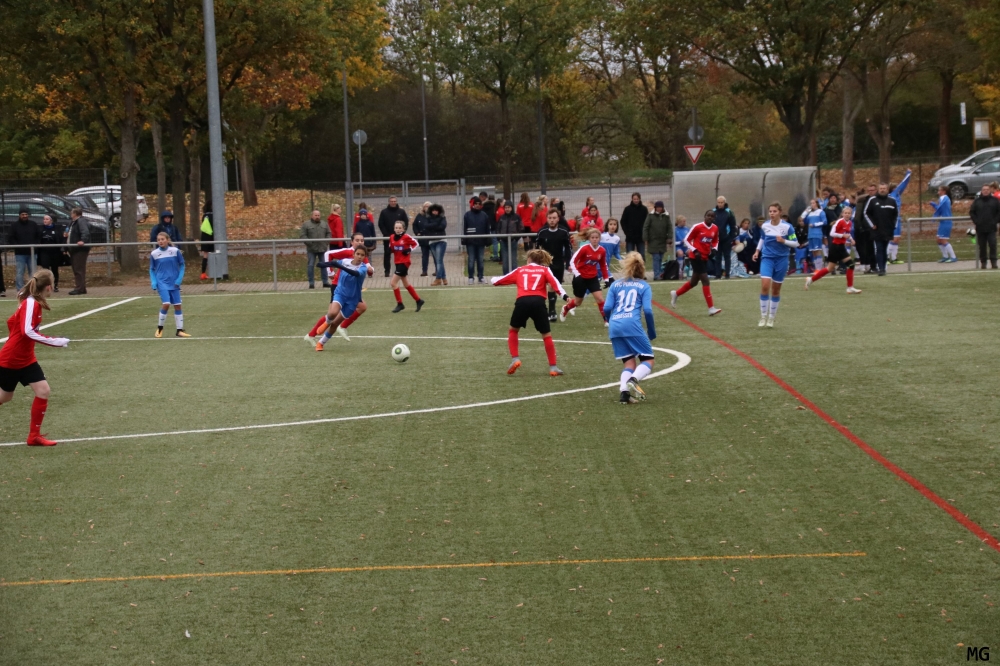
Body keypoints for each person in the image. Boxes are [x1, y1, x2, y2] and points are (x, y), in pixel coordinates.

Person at [0, 269, 69, 446]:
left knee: (43, 391)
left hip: (26, 358)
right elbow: (27, 331)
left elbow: (12, 323)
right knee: (5, 397)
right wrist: (55, 341)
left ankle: (34, 436)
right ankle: (34, 436)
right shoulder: (31, 303)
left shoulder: (32, 302)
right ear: (49, 287)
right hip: (12, 359)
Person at [492, 248, 567, 376]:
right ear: (541, 260)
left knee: (513, 330)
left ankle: (515, 358)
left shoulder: (520, 270)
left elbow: (498, 281)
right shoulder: (544, 270)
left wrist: (493, 280)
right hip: (539, 302)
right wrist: (565, 297)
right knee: (546, 335)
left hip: (522, 302)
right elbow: (555, 284)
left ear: (528, 259)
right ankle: (553, 367)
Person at [603, 252, 656, 404]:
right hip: (632, 324)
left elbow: (606, 308)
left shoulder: (615, 284)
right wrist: (651, 330)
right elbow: (648, 311)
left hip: (615, 325)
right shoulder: (644, 286)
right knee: (648, 359)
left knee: (629, 363)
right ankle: (633, 380)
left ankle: (624, 394)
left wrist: (611, 320)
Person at [305, 232, 374, 343]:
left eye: (362, 240)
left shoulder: (362, 254)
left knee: (361, 307)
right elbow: (328, 254)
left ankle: (341, 327)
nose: (360, 242)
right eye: (357, 240)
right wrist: (330, 272)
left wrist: (370, 271)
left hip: (351, 290)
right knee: (332, 314)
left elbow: (368, 269)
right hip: (338, 286)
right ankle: (312, 335)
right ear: (352, 242)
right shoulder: (347, 252)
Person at [752, 202, 799, 327]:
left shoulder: (787, 227)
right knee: (765, 286)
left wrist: (783, 241)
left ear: (780, 212)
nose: (772, 214)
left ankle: (771, 318)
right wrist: (757, 251)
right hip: (767, 258)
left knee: (776, 289)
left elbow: (796, 243)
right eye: (770, 211)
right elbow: (762, 238)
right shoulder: (765, 225)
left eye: (774, 211)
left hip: (782, 260)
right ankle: (763, 316)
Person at [314, 247, 369, 351]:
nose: (359, 257)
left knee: (335, 323)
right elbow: (334, 263)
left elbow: (355, 274)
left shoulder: (363, 268)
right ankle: (326, 322)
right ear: (353, 254)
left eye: (362, 255)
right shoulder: (345, 261)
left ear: (365, 257)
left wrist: (340, 266)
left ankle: (321, 343)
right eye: (358, 254)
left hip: (353, 300)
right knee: (332, 313)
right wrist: (323, 264)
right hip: (340, 293)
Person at [670, 210, 722, 316]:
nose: (710, 217)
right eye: (708, 215)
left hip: (705, 257)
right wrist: (694, 250)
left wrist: (714, 248)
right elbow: (687, 240)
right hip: (695, 257)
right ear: (704, 216)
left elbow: (715, 240)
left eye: (712, 216)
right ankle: (711, 308)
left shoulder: (715, 228)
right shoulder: (697, 227)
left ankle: (676, 293)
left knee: (694, 282)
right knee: (705, 280)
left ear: (714, 218)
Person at [805, 206, 862, 294]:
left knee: (850, 265)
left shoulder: (850, 222)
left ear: (851, 214)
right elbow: (832, 233)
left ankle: (850, 287)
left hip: (841, 247)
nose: (847, 214)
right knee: (830, 268)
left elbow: (847, 233)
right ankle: (811, 279)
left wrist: (851, 239)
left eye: (849, 213)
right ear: (842, 214)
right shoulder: (840, 221)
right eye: (845, 213)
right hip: (835, 247)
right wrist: (842, 236)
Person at [560, 228, 611, 323]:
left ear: (599, 238)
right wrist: (578, 274)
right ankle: (566, 308)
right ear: (589, 238)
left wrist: (607, 279)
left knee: (600, 299)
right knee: (578, 302)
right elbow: (572, 261)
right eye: (592, 237)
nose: (595, 239)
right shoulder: (584, 248)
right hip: (580, 278)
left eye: (596, 237)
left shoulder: (602, 250)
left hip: (593, 278)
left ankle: (606, 321)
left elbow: (603, 265)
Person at [149, 232, 191, 338]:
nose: (160, 241)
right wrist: (154, 281)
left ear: (167, 240)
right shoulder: (154, 253)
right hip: (162, 282)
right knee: (166, 303)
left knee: (177, 305)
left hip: (174, 283)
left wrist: (179, 279)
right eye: (158, 240)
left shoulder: (175, 251)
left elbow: (182, 265)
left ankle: (179, 330)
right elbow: (151, 269)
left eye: (162, 239)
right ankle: (160, 328)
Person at [535, 208, 573, 321]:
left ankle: (551, 310)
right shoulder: (542, 232)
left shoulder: (563, 231)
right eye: (550, 218)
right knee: (548, 285)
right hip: (545, 262)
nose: (552, 220)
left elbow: (568, 248)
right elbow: (536, 248)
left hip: (558, 262)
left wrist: (569, 263)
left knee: (555, 286)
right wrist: (536, 262)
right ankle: (550, 311)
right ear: (547, 219)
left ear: (558, 219)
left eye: (554, 218)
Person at [863, 183, 899, 276]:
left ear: (887, 190)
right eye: (881, 188)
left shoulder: (892, 200)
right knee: (879, 248)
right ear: (878, 190)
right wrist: (872, 224)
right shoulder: (872, 200)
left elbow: (896, 215)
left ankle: (883, 268)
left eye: (884, 188)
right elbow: (866, 213)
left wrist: (893, 226)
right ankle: (881, 269)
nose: (882, 190)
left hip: (887, 229)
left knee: (885, 249)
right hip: (877, 230)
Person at [388, 221, 424, 313]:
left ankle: (400, 304)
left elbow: (416, 243)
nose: (398, 229)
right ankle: (418, 300)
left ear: (403, 229)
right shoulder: (391, 237)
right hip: (397, 262)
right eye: (396, 228)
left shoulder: (406, 237)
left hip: (404, 262)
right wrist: (390, 250)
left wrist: (409, 249)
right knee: (406, 283)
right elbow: (391, 247)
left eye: (400, 228)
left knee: (393, 283)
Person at [7, 208, 41, 291]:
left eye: (26, 214)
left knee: (33, 272)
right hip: (20, 253)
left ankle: (32, 288)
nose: (24, 216)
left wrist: (36, 245)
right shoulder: (14, 226)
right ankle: (20, 289)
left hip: (32, 253)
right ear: (19, 215)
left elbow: (38, 236)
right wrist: (17, 246)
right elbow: (11, 237)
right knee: (20, 272)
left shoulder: (33, 224)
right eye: (23, 214)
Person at [969, 183, 1000, 269]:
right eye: (984, 190)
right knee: (982, 246)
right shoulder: (977, 201)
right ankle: (983, 263)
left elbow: (999, 212)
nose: (985, 191)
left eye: (987, 189)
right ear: (981, 191)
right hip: (980, 228)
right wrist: (976, 221)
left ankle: (994, 262)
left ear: (990, 190)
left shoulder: (995, 201)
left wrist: (995, 221)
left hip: (991, 228)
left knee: (992, 245)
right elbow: (972, 212)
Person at [378, 196, 409, 277]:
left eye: (394, 201)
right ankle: (387, 271)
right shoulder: (384, 212)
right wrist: (385, 234)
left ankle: (399, 270)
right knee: (387, 254)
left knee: (399, 254)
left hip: (399, 238)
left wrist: (401, 233)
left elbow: (406, 222)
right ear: (389, 202)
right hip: (388, 238)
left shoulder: (401, 212)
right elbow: (381, 224)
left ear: (396, 202)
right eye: (391, 201)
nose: (393, 202)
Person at [300, 209, 332, 289]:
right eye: (315, 215)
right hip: (311, 249)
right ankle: (311, 283)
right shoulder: (306, 224)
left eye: (318, 215)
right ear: (312, 216)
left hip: (322, 248)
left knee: (324, 265)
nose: (317, 217)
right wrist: (310, 243)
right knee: (310, 265)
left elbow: (329, 233)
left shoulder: (324, 224)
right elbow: (303, 235)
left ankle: (325, 282)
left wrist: (326, 242)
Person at [463, 197, 491, 283]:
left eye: (479, 204)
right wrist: (465, 239)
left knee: (480, 260)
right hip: (470, 241)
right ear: (473, 204)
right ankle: (470, 277)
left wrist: (487, 239)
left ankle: (481, 276)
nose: (477, 205)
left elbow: (487, 228)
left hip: (481, 241)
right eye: (476, 204)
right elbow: (465, 228)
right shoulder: (467, 215)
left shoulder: (484, 215)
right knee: (471, 259)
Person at [886, 170, 912, 264]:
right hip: (892, 220)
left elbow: (903, 186)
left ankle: (893, 258)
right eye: (896, 187)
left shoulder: (897, 195)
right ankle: (885, 258)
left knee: (897, 239)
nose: (898, 189)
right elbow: (903, 184)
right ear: (893, 189)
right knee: (893, 239)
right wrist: (908, 174)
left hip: (898, 219)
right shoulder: (892, 195)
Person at [642, 201, 672, 280]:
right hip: (653, 241)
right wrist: (645, 238)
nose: (659, 209)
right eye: (657, 207)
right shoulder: (650, 216)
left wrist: (669, 238)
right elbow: (646, 227)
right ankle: (656, 275)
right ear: (655, 208)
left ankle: (659, 273)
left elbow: (669, 227)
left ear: (662, 208)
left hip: (662, 241)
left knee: (660, 257)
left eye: (660, 207)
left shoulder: (666, 216)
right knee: (656, 258)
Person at [65, 207, 90, 295]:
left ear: (75, 214)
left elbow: (85, 231)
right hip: (73, 248)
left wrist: (83, 240)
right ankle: (81, 287)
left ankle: (79, 288)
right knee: (76, 268)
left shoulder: (81, 221)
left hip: (80, 249)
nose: (71, 214)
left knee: (79, 268)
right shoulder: (73, 222)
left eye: (72, 213)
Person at [36, 215, 63, 292]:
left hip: (55, 252)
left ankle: (55, 285)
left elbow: (60, 239)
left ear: (51, 220)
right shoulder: (41, 229)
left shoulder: (56, 229)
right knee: (45, 270)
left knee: (54, 269)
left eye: (47, 219)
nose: (45, 220)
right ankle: (46, 286)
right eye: (44, 219)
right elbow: (38, 239)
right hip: (44, 252)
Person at [854, 184, 877, 273]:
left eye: (873, 190)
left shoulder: (879, 200)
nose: (871, 192)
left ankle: (876, 265)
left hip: (877, 227)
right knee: (867, 247)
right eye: (869, 190)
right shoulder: (863, 200)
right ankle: (868, 265)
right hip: (866, 227)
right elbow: (858, 215)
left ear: (876, 190)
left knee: (876, 248)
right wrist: (860, 226)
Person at [929, 186, 957, 263]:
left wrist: (934, 213)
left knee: (943, 240)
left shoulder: (944, 198)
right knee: (938, 240)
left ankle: (953, 257)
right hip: (943, 221)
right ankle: (945, 256)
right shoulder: (943, 198)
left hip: (946, 221)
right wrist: (933, 205)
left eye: (939, 190)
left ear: (944, 191)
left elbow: (939, 208)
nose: (938, 192)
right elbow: (940, 209)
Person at [713, 196, 737, 279]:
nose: (720, 204)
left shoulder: (729, 212)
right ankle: (718, 274)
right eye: (719, 202)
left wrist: (731, 238)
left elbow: (733, 225)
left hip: (726, 238)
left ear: (724, 203)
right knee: (717, 257)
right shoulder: (713, 212)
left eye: (722, 202)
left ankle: (727, 274)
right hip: (716, 238)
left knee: (727, 256)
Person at [496, 201, 523, 274]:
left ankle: (514, 276)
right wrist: (499, 238)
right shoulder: (502, 217)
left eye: (508, 207)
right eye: (506, 207)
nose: (507, 209)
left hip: (513, 241)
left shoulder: (516, 217)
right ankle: (506, 276)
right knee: (505, 261)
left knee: (513, 260)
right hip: (503, 242)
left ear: (511, 208)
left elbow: (521, 228)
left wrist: (516, 238)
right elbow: (498, 228)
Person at [620, 192, 649, 259]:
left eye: (637, 199)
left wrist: (645, 233)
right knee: (630, 256)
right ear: (632, 199)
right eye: (634, 199)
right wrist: (627, 232)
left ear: (640, 199)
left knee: (641, 255)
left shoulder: (644, 209)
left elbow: (647, 222)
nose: (636, 200)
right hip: (630, 237)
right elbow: (623, 221)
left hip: (641, 237)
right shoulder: (627, 209)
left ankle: (641, 266)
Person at [425, 203, 448, 285]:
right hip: (432, 241)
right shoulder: (428, 218)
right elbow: (426, 226)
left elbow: (442, 226)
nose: (435, 212)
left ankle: (438, 278)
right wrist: (436, 224)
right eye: (433, 210)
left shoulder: (442, 217)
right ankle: (444, 278)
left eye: (436, 210)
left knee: (438, 260)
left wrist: (432, 226)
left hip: (441, 240)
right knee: (439, 260)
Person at [801, 199, 827, 271]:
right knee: (813, 251)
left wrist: (814, 224)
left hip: (817, 234)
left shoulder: (821, 212)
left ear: (817, 204)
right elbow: (804, 221)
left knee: (817, 250)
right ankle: (817, 268)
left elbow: (824, 222)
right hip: (810, 234)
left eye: (813, 203)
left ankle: (820, 269)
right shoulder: (810, 213)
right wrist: (805, 212)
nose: (812, 204)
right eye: (811, 203)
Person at [412, 201, 433, 276]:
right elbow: (415, 225)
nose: (427, 208)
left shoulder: (434, 215)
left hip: (432, 238)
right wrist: (417, 233)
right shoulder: (419, 216)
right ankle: (424, 271)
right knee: (424, 256)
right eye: (426, 206)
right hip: (423, 239)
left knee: (435, 255)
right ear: (423, 207)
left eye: (429, 206)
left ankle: (437, 270)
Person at [199, 206, 214, 280]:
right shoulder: (213, 216)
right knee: (214, 254)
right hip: (211, 236)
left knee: (205, 255)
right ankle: (215, 272)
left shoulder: (205, 215)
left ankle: (203, 273)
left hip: (204, 237)